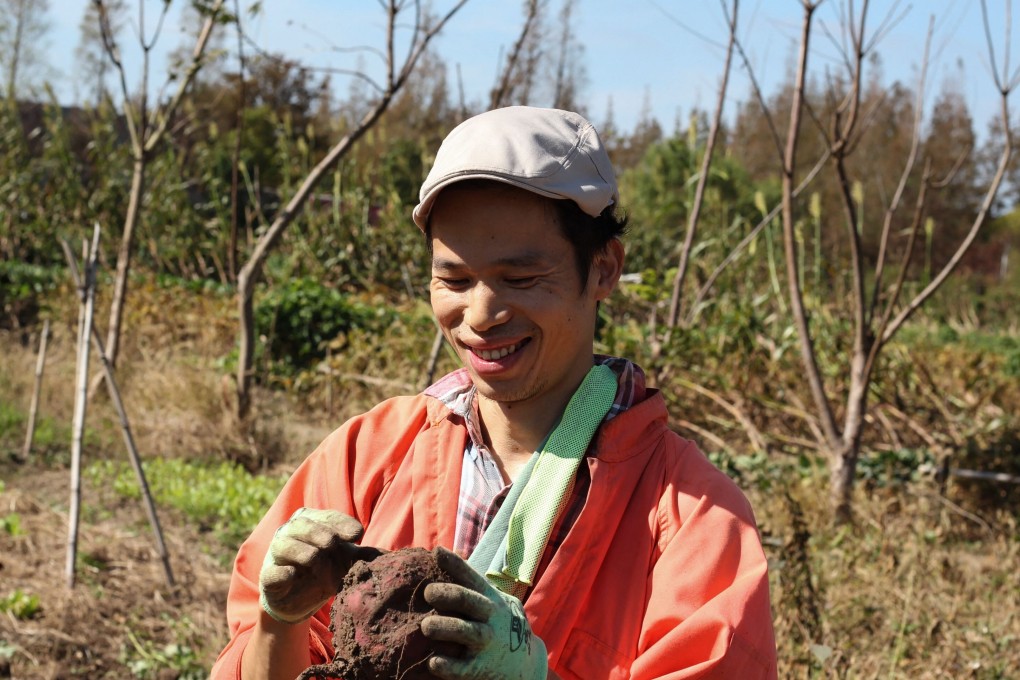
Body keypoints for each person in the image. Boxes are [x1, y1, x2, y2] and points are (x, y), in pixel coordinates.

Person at [211, 106, 778, 680]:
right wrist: (279, 621)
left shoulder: (691, 515)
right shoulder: (367, 458)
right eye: (454, 280)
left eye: (522, 279)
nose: (480, 315)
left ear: (604, 269)